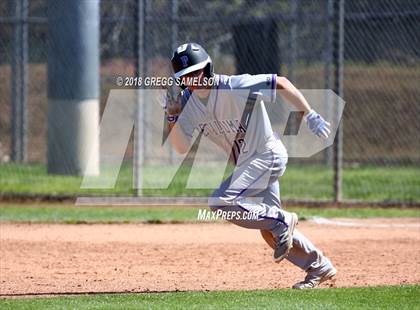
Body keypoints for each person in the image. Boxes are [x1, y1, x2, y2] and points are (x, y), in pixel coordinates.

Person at [164, 43, 336, 289]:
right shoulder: (188, 103)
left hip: (268, 155)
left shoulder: (234, 86)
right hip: (249, 165)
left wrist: (309, 115)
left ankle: (282, 220)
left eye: (196, 72)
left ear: (208, 68)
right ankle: (319, 267)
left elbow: (281, 82)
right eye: (185, 76)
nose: (192, 80)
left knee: (220, 202)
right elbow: (180, 147)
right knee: (270, 231)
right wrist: (172, 116)